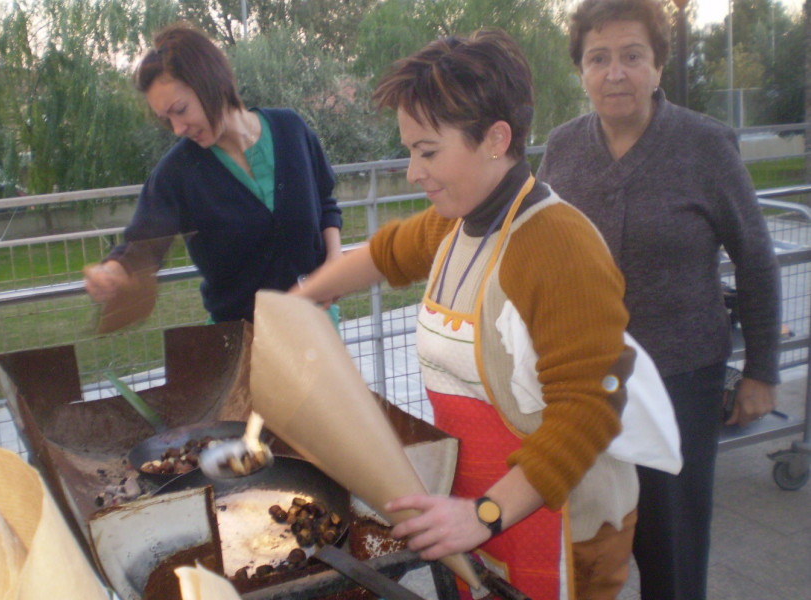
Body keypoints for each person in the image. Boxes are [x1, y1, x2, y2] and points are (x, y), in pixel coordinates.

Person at [293, 28, 645, 600]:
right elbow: (384, 254)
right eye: (410, 151)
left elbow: (591, 407)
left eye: (427, 151)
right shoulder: (453, 226)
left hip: (559, 528)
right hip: (478, 514)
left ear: (495, 139)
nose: (413, 171)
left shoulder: (558, 244)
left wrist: (483, 513)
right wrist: (305, 298)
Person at [536, 1, 782, 599]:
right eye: (599, 58)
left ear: (658, 67)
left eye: (631, 56)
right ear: (582, 71)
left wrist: (761, 372)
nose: (614, 72)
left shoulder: (704, 146)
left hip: (680, 384)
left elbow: (755, 258)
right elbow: (537, 255)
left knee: (671, 546)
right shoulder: (561, 150)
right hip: (583, 383)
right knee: (586, 540)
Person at [84, 23, 343, 326]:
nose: (178, 129)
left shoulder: (291, 129)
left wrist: (335, 265)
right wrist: (113, 272)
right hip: (241, 343)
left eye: (180, 109)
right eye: (166, 119)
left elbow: (325, 203)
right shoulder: (177, 174)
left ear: (213, 82)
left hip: (318, 326)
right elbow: (142, 248)